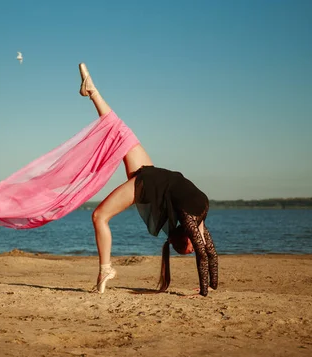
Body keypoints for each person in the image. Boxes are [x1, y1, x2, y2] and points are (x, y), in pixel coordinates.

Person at [78, 63, 219, 297]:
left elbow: (204, 253)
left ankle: (105, 270)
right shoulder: (196, 217)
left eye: (190, 248)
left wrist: (204, 291)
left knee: (99, 216)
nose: (195, 246)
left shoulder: (189, 217)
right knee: (120, 132)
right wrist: (209, 289)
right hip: (151, 174)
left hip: (147, 184)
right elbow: (209, 254)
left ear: (185, 240)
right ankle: (92, 91)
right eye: (192, 247)